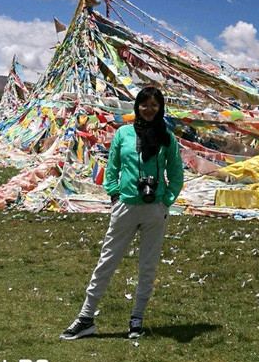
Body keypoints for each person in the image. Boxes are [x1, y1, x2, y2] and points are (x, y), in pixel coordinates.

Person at [61, 86, 184, 340]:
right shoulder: (123, 134)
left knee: (147, 266)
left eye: (154, 105)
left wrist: (166, 201)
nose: (149, 110)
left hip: (154, 210)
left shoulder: (167, 137)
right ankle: (86, 318)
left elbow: (175, 173)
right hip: (125, 206)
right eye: (144, 104)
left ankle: (137, 319)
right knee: (107, 261)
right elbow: (112, 167)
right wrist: (115, 195)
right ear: (136, 106)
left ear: (160, 108)